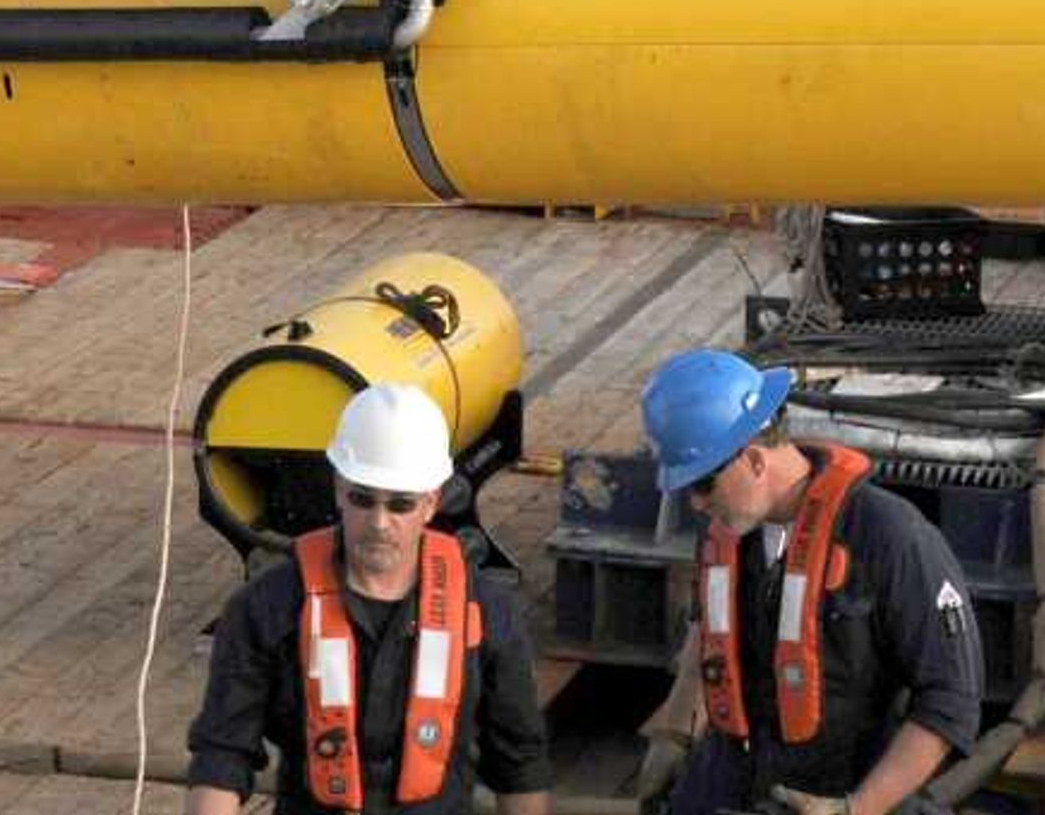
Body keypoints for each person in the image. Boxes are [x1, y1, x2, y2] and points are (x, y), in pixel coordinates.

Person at [185, 384, 555, 813]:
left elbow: (520, 765)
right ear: (340, 488)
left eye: (400, 505)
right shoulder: (267, 608)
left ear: (431, 503)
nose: (379, 523)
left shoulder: (487, 614)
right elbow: (222, 755)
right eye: (363, 499)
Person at [644, 349, 983, 815]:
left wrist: (855, 808)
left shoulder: (890, 539)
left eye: (702, 486)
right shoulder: (730, 530)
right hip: (738, 774)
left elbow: (951, 701)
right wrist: (675, 735)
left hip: (849, 788)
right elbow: (707, 635)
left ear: (754, 460)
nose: (697, 505)